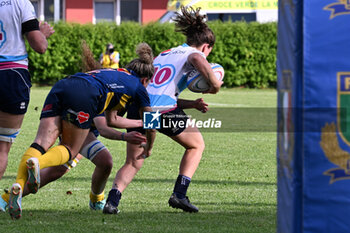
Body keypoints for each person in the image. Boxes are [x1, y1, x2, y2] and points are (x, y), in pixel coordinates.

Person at [7, 42, 156, 219]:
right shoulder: (139, 88)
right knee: (70, 150)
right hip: (84, 95)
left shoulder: (113, 74)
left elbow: (112, 119)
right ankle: (38, 164)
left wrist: (132, 127)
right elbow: (151, 124)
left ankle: (16, 187)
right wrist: (149, 147)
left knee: (40, 144)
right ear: (145, 80)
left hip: (63, 85)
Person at [102, 6, 222, 214]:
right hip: (162, 111)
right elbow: (197, 59)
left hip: (139, 108)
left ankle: (112, 202)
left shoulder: (165, 54)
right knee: (196, 145)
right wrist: (215, 84)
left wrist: (192, 104)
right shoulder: (193, 53)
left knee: (133, 161)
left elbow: (162, 91)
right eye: (208, 51)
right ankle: (179, 195)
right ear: (205, 46)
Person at [0, 115, 146, 212]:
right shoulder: (132, 89)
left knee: (58, 170)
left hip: (86, 127)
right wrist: (133, 135)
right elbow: (107, 124)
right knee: (111, 161)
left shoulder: (131, 87)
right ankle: (103, 201)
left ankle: (98, 200)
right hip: (78, 122)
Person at [0, 0, 54, 180]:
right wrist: (42, 34)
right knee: (2, 147)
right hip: (11, 76)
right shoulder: (20, 3)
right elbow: (40, 46)